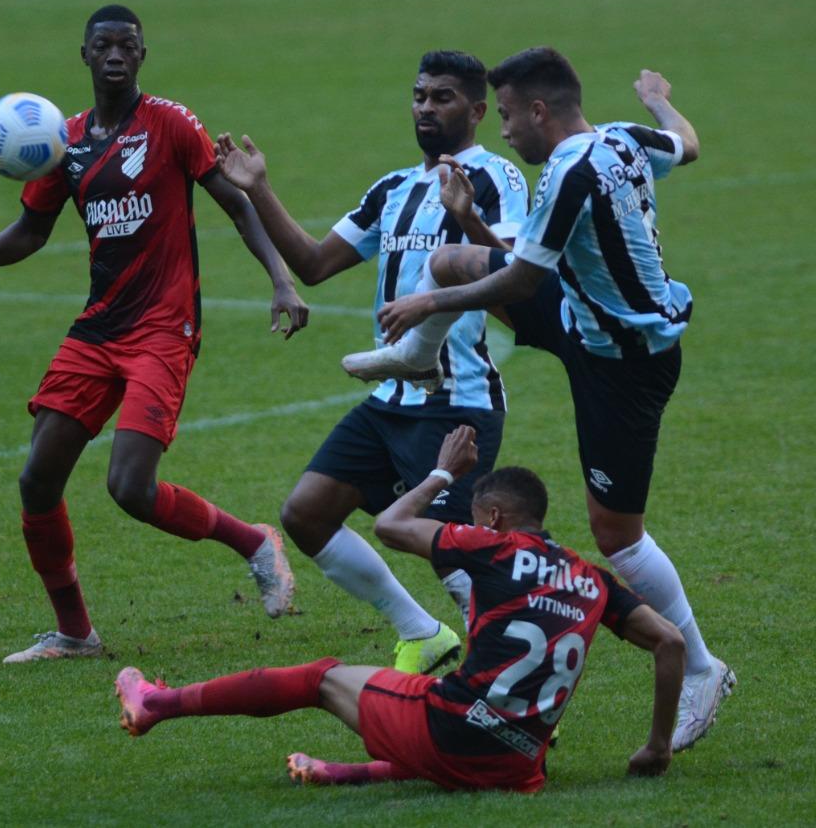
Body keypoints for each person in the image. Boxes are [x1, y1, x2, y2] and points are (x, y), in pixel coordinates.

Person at [341, 48, 733, 750]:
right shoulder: (621, 137)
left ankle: (701, 667)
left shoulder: (566, 175)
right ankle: (418, 354)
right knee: (453, 253)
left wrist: (429, 300)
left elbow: (520, 285)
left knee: (617, 534)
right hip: (584, 315)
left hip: (622, 363)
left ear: (542, 110)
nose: (508, 132)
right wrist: (655, 98)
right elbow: (690, 143)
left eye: (513, 115)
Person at [0, 5, 310, 663]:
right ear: (84, 55)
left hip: (164, 328)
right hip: (97, 328)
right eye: (104, 45)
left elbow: (236, 201)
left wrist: (281, 279)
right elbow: (32, 231)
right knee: (36, 482)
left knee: (130, 489)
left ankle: (254, 542)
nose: (116, 55)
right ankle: (76, 633)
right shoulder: (64, 141)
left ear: (142, 55)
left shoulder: (169, 123)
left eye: (128, 46)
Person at [114, 425, 685, 792]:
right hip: (520, 768)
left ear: (492, 520)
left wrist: (442, 474)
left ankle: (157, 704)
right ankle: (348, 772)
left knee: (320, 679)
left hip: (454, 732)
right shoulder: (592, 579)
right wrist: (658, 746)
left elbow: (390, 525)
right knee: (449, 725)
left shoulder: (489, 544)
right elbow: (670, 642)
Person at [211, 51, 530, 673]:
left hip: (456, 398)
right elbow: (313, 264)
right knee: (306, 513)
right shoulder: (393, 188)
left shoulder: (496, 179)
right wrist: (260, 189)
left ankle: (505, 679)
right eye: (419, 96)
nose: (426, 108)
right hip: (390, 400)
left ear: (477, 110)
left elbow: (520, 288)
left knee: (453, 553)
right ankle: (421, 632)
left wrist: (467, 219)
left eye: (442, 97)